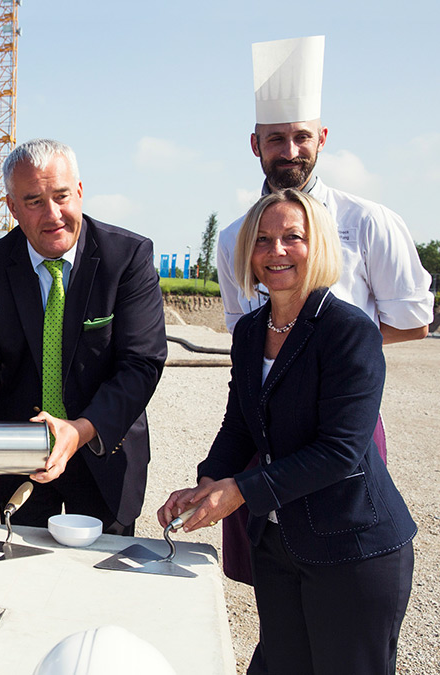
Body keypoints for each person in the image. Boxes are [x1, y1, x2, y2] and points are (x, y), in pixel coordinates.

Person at [159, 189, 416, 675]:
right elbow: (240, 423)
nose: (276, 251)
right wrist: (210, 481)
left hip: (352, 548)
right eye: (262, 240)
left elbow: (340, 450)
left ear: (315, 246)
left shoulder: (348, 330)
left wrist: (240, 491)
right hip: (279, 545)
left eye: (291, 237)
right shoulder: (252, 330)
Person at [217, 35, 432, 587]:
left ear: (322, 138)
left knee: (341, 560)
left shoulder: (369, 221)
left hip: (341, 423)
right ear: (255, 144)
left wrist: (331, 356)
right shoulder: (235, 237)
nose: (290, 150)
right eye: (276, 139)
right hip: (263, 428)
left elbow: (414, 322)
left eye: (301, 137)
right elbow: (247, 334)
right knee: (274, 579)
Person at [0, 139, 167, 534]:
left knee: (99, 584)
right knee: (22, 578)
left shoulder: (127, 258)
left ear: (79, 191)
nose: (53, 215)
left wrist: (79, 430)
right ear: (11, 207)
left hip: (102, 452)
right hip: (19, 459)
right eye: (33, 201)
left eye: (62, 196)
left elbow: (140, 364)